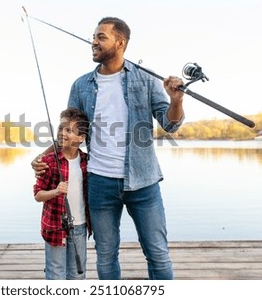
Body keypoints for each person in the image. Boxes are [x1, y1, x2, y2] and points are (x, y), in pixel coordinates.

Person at [32, 17, 185, 280]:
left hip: (144, 183)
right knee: (105, 255)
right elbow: (68, 134)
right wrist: (42, 156)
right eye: (93, 36)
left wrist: (176, 100)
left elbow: (170, 125)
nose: (93, 41)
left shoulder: (146, 80)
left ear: (120, 42)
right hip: (99, 182)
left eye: (101, 37)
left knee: (158, 254)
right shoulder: (81, 85)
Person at [33, 107, 91, 280]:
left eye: (69, 130)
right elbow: (37, 195)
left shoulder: (87, 162)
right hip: (55, 226)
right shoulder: (49, 162)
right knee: (56, 273)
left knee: (77, 275)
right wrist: (55, 191)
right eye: (61, 129)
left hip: (80, 227)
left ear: (81, 138)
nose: (62, 133)